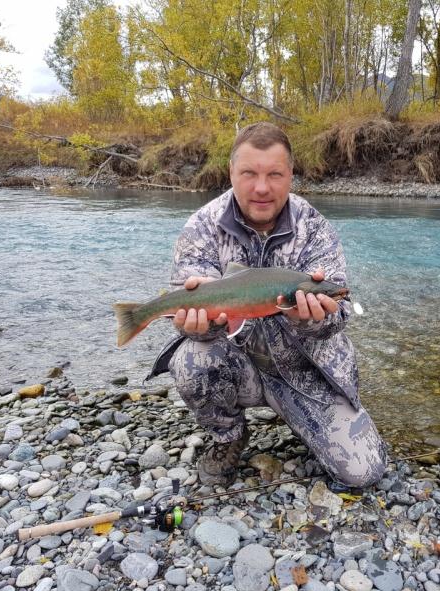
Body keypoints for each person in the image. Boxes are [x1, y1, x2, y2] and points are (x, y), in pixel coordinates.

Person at [147, 122, 387, 488]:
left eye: (275, 174)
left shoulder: (315, 229)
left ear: (291, 175)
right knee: (192, 357)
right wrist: (199, 323)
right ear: (231, 173)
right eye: (249, 174)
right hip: (235, 368)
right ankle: (228, 437)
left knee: (364, 473)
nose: (262, 187)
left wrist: (310, 321)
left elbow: (338, 315)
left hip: (306, 372)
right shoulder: (202, 228)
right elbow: (186, 321)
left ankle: (305, 421)